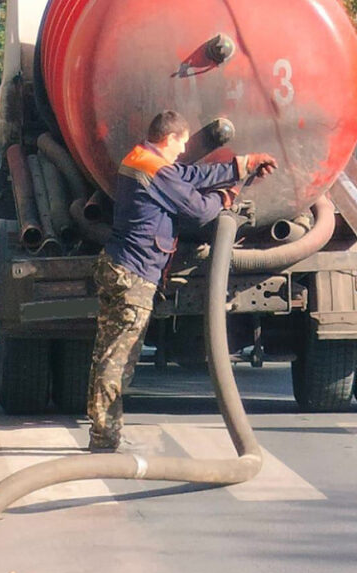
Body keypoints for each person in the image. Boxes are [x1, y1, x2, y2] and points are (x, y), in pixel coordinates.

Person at [86, 110, 278, 451]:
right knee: (118, 360)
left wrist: (240, 165)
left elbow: (188, 175)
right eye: (182, 141)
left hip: (119, 266)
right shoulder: (153, 168)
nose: (184, 147)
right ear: (169, 138)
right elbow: (198, 210)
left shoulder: (143, 158)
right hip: (134, 275)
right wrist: (224, 198)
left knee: (106, 354)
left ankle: (103, 431)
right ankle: (104, 437)